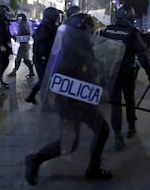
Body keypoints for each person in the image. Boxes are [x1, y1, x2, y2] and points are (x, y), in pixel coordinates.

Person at [24, 13, 114, 185]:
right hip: (69, 102)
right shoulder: (70, 49)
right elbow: (61, 78)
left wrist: (97, 84)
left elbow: (87, 70)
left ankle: (93, 168)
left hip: (82, 98)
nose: (92, 31)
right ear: (81, 28)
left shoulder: (82, 45)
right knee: (70, 143)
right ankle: (34, 159)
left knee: (102, 129)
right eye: (90, 28)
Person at [100, 5, 150, 151]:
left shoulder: (108, 30)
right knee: (130, 100)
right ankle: (131, 126)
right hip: (127, 73)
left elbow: (98, 51)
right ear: (131, 17)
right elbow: (142, 54)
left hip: (111, 73)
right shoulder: (132, 33)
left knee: (115, 104)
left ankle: (117, 134)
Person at [25, 7, 61, 104]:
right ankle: (40, 100)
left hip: (45, 56)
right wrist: (42, 56)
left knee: (45, 79)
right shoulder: (45, 27)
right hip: (42, 57)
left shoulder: (50, 26)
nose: (58, 18)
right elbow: (41, 42)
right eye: (57, 16)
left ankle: (31, 97)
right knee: (45, 80)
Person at [8, 13, 35, 78]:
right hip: (24, 44)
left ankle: (14, 71)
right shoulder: (25, 24)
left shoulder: (23, 25)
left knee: (19, 59)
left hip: (23, 45)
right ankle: (31, 71)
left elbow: (25, 35)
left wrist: (16, 37)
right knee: (25, 59)